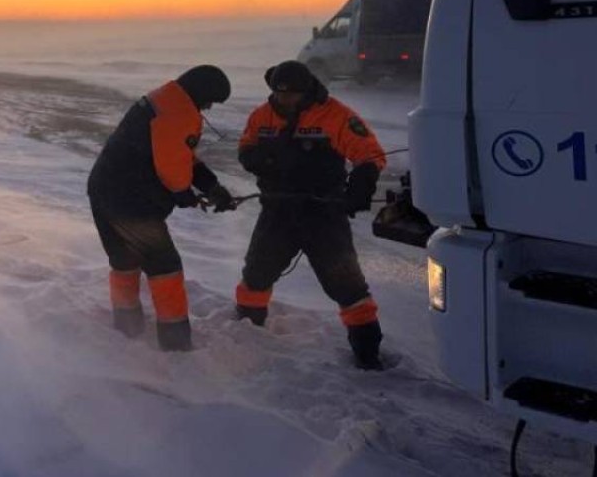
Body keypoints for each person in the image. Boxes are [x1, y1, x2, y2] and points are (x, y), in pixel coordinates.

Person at [235, 60, 386, 369]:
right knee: (256, 274)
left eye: (291, 94)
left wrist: (361, 186)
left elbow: (370, 153)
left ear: (306, 91)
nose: (285, 100)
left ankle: (367, 353)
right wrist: (261, 159)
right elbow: (246, 146)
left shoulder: (335, 114)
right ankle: (247, 331)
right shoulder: (262, 115)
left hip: (323, 214)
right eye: (279, 94)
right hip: (277, 210)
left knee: (347, 285)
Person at [87, 65, 238, 351]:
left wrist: (211, 186)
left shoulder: (166, 100)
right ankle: (175, 342)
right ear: (200, 92)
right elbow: (171, 167)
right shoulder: (178, 112)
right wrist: (185, 195)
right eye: (210, 101)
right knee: (165, 268)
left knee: (125, 261)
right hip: (131, 203)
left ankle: (127, 327)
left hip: (104, 190)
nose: (208, 107)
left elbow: (180, 154)